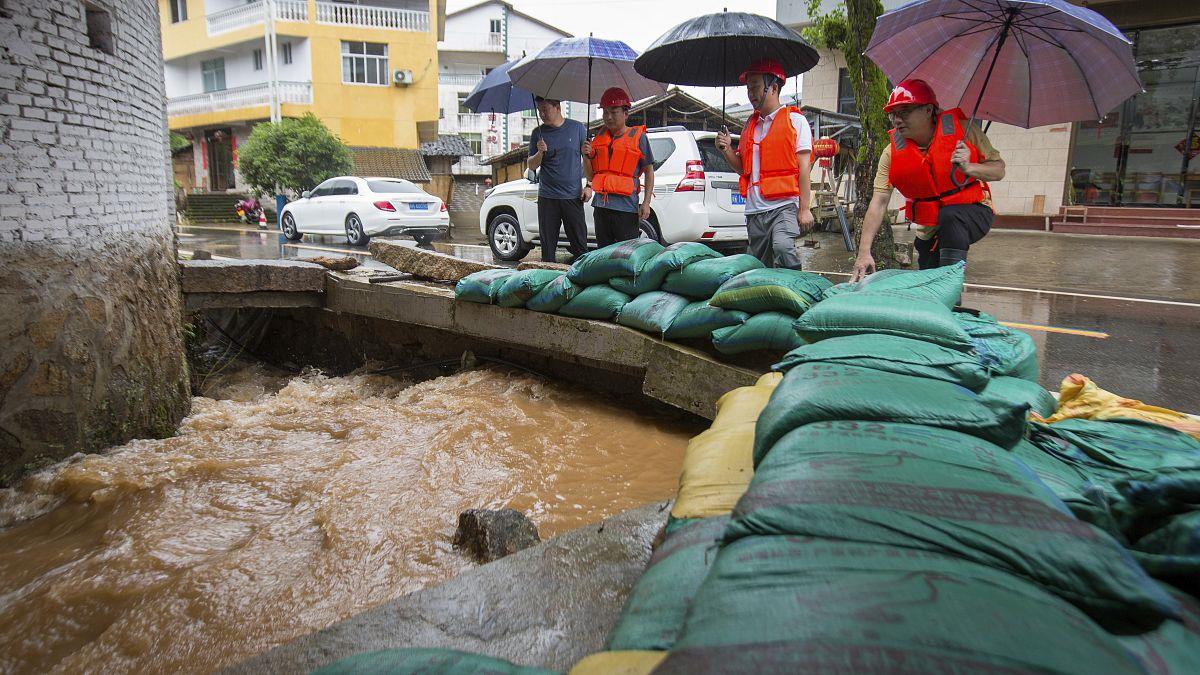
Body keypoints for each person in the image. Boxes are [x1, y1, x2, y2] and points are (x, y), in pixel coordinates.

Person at [851, 78, 1006, 281]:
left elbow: (998, 169)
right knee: (927, 278)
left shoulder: (963, 131)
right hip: (930, 228)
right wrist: (864, 252)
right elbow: (879, 202)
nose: (897, 120)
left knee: (951, 216)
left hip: (973, 212)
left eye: (905, 111)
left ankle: (950, 288)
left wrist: (970, 167)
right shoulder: (891, 153)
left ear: (928, 110)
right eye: (893, 114)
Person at [715, 58, 813, 269]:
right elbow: (743, 168)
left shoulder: (795, 121)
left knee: (783, 248)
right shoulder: (749, 126)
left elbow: (804, 168)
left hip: (784, 206)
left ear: (774, 88)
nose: (751, 94)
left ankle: (796, 293)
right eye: (748, 89)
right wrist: (727, 150)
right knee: (758, 266)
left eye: (756, 87)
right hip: (754, 210)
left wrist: (805, 209)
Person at [583, 87, 655, 248]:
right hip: (601, 207)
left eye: (613, 112)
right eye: (605, 112)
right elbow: (590, 176)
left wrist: (646, 202)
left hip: (626, 209)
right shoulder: (597, 140)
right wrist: (586, 157)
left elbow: (649, 172)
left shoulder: (639, 138)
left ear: (625, 113)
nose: (608, 117)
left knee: (626, 254)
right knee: (603, 254)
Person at [527, 95, 589, 262]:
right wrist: (540, 153)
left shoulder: (577, 129)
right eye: (540, 111)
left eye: (545, 110)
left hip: (573, 197)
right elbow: (531, 165)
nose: (542, 115)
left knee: (580, 247)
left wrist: (589, 185)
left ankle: (582, 283)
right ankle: (548, 283)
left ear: (557, 107)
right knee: (547, 249)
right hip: (548, 198)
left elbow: (588, 159)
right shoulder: (537, 133)